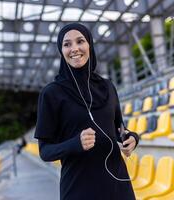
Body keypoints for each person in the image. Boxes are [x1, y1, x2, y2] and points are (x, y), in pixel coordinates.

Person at [34, 23, 139, 200]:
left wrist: (133, 138)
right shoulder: (51, 93)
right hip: (79, 188)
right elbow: (45, 151)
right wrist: (75, 143)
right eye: (67, 44)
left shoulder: (107, 87)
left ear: (89, 44)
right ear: (61, 51)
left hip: (118, 183)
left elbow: (119, 129)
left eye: (80, 41)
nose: (74, 48)